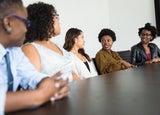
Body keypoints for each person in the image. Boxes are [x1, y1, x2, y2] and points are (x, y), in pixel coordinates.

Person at [0, 0, 69, 113]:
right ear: (8, 23)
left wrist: (52, 84)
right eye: (25, 23)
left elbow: (32, 76)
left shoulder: (14, 51)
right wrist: (41, 95)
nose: (27, 29)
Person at [22, 2, 80, 82]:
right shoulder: (30, 48)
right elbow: (34, 84)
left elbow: (70, 72)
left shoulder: (57, 45)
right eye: (56, 17)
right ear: (43, 20)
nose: (58, 21)